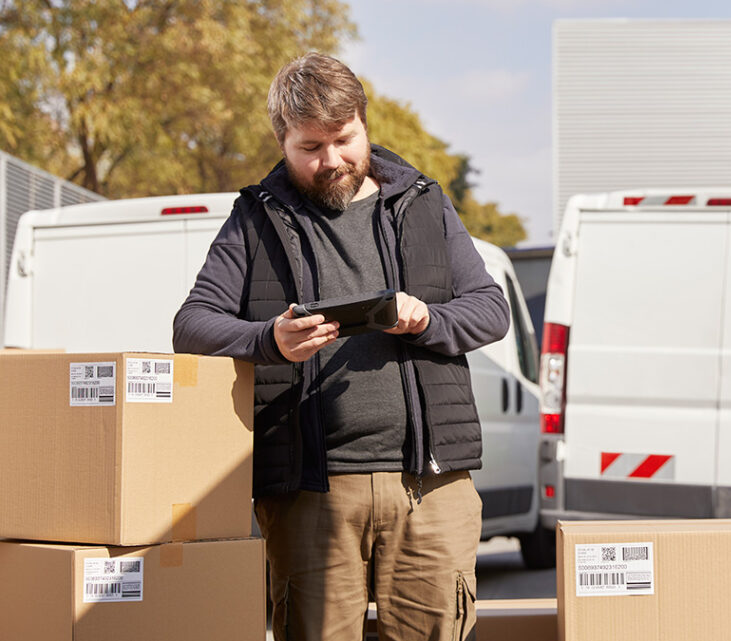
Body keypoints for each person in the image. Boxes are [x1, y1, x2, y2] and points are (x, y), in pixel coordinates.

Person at [173, 52, 509, 641]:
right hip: (309, 494)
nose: (331, 161)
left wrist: (426, 316)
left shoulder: (425, 203)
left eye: (344, 139)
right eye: (310, 147)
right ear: (282, 140)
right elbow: (192, 324)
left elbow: (490, 310)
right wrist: (268, 340)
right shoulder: (255, 218)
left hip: (430, 489)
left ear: (364, 123)